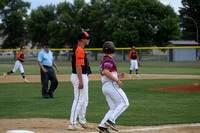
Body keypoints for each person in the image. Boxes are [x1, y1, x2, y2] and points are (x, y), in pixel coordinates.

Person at [97, 41, 129, 133]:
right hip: (111, 85)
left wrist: (117, 75)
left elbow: (107, 73)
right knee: (125, 103)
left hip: (106, 86)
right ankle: (111, 120)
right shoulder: (108, 60)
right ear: (113, 49)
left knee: (114, 107)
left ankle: (102, 126)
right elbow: (106, 72)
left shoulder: (103, 60)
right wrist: (117, 80)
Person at [68, 31, 93, 131]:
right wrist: (81, 80)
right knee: (78, 100)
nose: (89, 40)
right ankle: (72, 123)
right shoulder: (79, 50)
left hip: (82, 76)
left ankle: (82, 122)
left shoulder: (80, 49)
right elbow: (78, 66)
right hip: (79, 76)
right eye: (87, 38)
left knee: (84, 100)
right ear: (82, 40)